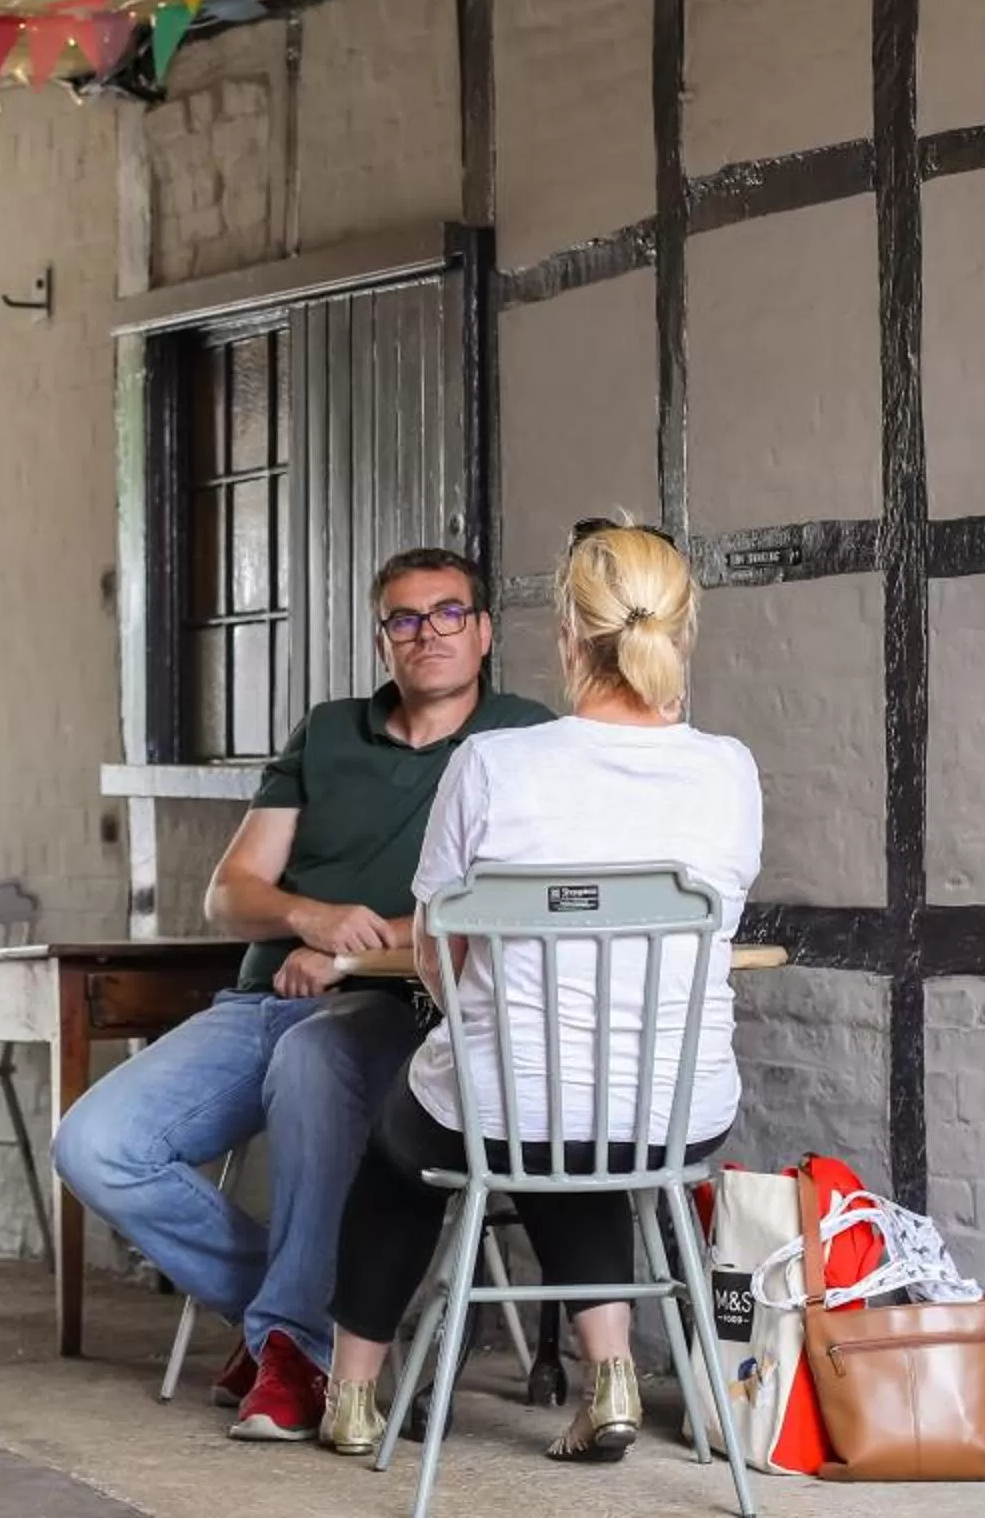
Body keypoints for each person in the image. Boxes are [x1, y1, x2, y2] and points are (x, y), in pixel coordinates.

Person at [51, 547, 552, 1442]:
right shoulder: (326, 732)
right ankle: (311, 1323)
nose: (425, 633)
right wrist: (314, 919)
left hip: (406, 1010)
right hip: (264, 1000)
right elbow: (233, 891)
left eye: (446, 614)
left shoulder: (523, 740)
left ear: (481, 632)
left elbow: (526, 899)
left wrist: (364, 952)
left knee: (316, 1055)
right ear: (381, 639)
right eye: (403, 618)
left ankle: (297, 1346)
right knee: (97, 1145)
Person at [315, 519, 762, 1465]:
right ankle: (611, 1378)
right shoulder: (729, 770)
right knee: (584, 1112)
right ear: (681, 633)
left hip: (513, 1103)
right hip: (680, 1111)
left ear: (565, 633)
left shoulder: (492, 763)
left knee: (434, 1144)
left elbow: (438, 953)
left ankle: (350, 1395)